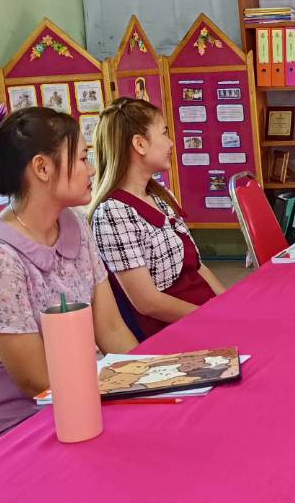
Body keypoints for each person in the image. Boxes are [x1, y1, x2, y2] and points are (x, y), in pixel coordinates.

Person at [0, 104, 137, 456]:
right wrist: (117, 389)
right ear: (42, 167)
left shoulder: (75, 224)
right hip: (18, 432)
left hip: (88, 401)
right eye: (81, 158)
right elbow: (37, 379)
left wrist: (148, 382)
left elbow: (112, 330)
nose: (91, 169)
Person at [89, 97, 225, 337]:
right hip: (174, 331)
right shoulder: (112, 212)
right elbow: (148, 302)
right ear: (140, 144)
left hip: (204, 316)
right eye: (164, 133)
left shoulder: (160, 196)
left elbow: (197, 266)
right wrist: (212, 318)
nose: (171, 143)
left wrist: (228, 304)